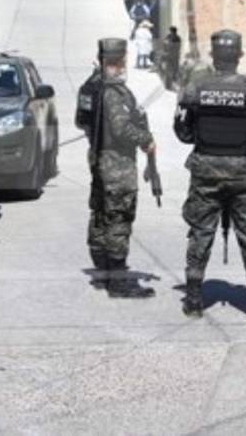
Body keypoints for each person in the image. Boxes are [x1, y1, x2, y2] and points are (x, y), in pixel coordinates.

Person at [174, 30, 246, 321]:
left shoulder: (195, 88)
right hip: (245, 173)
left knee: (200, 232)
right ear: (240, 56)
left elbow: (182, 132)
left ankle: (193, 302)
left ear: (213, 56)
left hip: (205, 172)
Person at [81, 38, 157, 299]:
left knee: (101, 213)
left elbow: (82, 120)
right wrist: (145, 140)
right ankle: (117, 281)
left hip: (98, 158)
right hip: (116, 164)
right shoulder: (113, 92)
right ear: (121, 60)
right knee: (118, 218)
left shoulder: (92, 87)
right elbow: (121, 128)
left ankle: (103, 270)